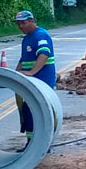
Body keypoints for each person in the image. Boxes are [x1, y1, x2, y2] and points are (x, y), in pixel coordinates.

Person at [14, 10, 56, 146]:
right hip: (33, 83)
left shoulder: (41, 35)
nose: (21, 26)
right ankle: (31, 143)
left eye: (23, 23)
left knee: (40, 112)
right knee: (28, 111)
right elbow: (23, 59)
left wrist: (32, 72)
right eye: (18, 24)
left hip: (43, 81)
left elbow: (44, 54)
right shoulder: (27, 38)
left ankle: (42, 143)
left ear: (32, 21)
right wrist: (16, 73)